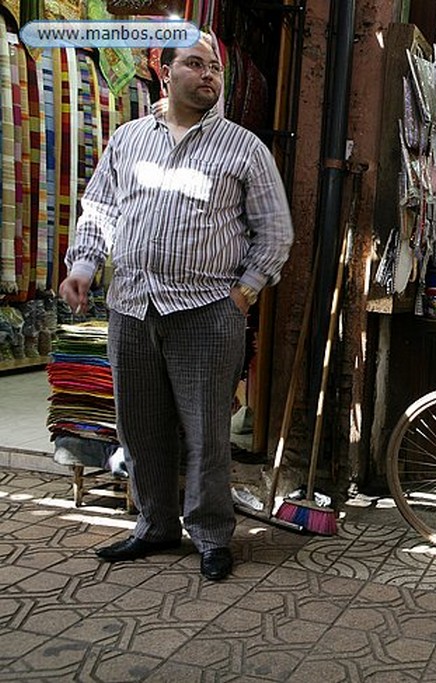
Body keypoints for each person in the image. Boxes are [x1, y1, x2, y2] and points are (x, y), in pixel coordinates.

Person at [58, 34, 293, 581]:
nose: (209, 75)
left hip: (207, 311)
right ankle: (155, 525)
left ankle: (211, 535)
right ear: (164, 72)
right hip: (132, 308)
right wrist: (83, 269)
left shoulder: (244, 148)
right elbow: (99, 210)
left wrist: (243, 294)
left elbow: (275, 233)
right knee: (140, 427)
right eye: (195, 64)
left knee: (208, 433)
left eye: (215, 68)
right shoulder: (128, 140)